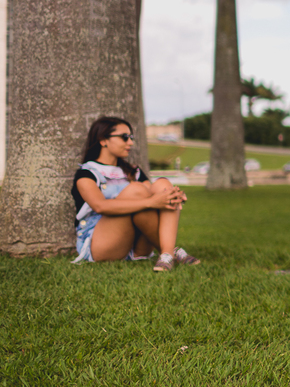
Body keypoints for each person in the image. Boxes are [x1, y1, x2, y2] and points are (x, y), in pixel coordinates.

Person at [72, 116, 200, 273]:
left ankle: (166, 254)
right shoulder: (87, 173)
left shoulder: (133, 171)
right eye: (124, 137)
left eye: (131, 138)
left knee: (163, 184)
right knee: (138, 191)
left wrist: (172, 195)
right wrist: (152, 202)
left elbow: (156, 197)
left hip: (137, 246)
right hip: (100, 244)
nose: (130, 143)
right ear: (103, 140)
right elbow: (100, 206)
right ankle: (171, 251)